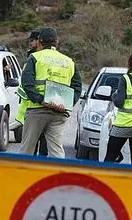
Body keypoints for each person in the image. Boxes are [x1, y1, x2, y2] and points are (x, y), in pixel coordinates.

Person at [19, 27, 82, 158]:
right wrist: (67, 103)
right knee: (56, 152)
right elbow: (77, 86)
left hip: (37, 110)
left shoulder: (35, 58)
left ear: (40, 42)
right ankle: (56, 177)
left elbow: (27, 84)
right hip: (59, 112)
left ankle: (23, 177)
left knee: (27, 150)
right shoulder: (69, 61)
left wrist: (41, 99)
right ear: (56, 42)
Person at [15, 29, 48, 156]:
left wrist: (37, 98)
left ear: (39, 41)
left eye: (32, 40)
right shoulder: (31, 56)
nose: (30, 43)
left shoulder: (37, 58)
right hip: (30, 107)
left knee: (39, 147)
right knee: (30, 147)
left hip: (38, 106)